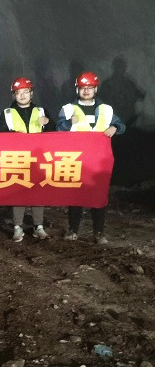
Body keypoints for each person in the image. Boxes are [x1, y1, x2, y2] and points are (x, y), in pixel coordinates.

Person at [56, 71, 125, 244]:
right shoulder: (68, 109)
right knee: (75, 195)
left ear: (95, 89)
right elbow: (58, 129)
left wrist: (115, 128)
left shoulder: (106, 109)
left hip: (98, 162)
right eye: (82, 88)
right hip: (76, 160)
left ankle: (99, 232)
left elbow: (121, 125)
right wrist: (68, 123)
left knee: (98, 196)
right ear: (77, 89)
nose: (86, 91)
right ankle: (73, 230)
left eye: (89, 87)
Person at [0, 77, 52, 242]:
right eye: (18, 92)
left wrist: (48, 122)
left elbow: (54, 133)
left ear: (31, 93)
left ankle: (38, 226)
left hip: (37, 158)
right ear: (14, 95)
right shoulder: (7, 113)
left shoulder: (41, 111)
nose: (22, 95)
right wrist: (13, 135)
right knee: (18, 191)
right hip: (17, 158)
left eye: (25, 91)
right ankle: (17, 227)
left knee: (38, 191)